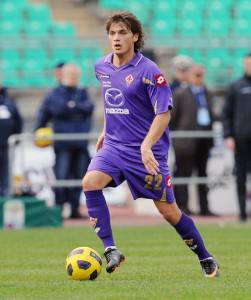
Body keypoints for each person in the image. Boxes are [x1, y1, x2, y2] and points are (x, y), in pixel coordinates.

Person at [82, 12, 219, 277]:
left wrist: (146, 145)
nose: (116, 38)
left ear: (135, 36)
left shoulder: (150, 71)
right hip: (113, 147)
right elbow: (115, 102)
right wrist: (104, 130)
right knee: (90, 183)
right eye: (112, 33)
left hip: (147, 154)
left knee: (169, 212)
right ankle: (111, 249)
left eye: (122, 32)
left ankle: (204, 256)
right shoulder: (102, 67)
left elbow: (164, 112)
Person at [34, 63, 94, 218]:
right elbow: (55, 110)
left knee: (81, 177)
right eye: (71, 75)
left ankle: (74, 209)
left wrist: (71, 107)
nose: (74, 78)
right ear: (63, 75)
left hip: (81, 143)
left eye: (76, 75)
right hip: (63, 144)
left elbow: (89, 108)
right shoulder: (54, 94)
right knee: (61, 176)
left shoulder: (83, 92)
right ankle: (59, 209)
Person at [171, 65, 216, 216]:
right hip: (185, 141)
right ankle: (182, 207)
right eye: (196, 75)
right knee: (183, 174)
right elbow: (172, 118)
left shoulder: (208, 93)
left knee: (203, 174)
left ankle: (204, 207)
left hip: (204, 139)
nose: (199, 78)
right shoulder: (180, 94)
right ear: (189, 76)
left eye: (201, 75)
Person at [222, 52, 251, 222]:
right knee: (240, 177)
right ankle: (242, 214)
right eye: (248, 64)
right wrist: (228, 135)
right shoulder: (236, 86)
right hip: (240, 140)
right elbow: (226, 113)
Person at [0, 83, 23, 196]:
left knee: (6, 173)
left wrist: (17, 137)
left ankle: (5, 197)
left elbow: (18, 120)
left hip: (7, 145)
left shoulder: (9, 101)